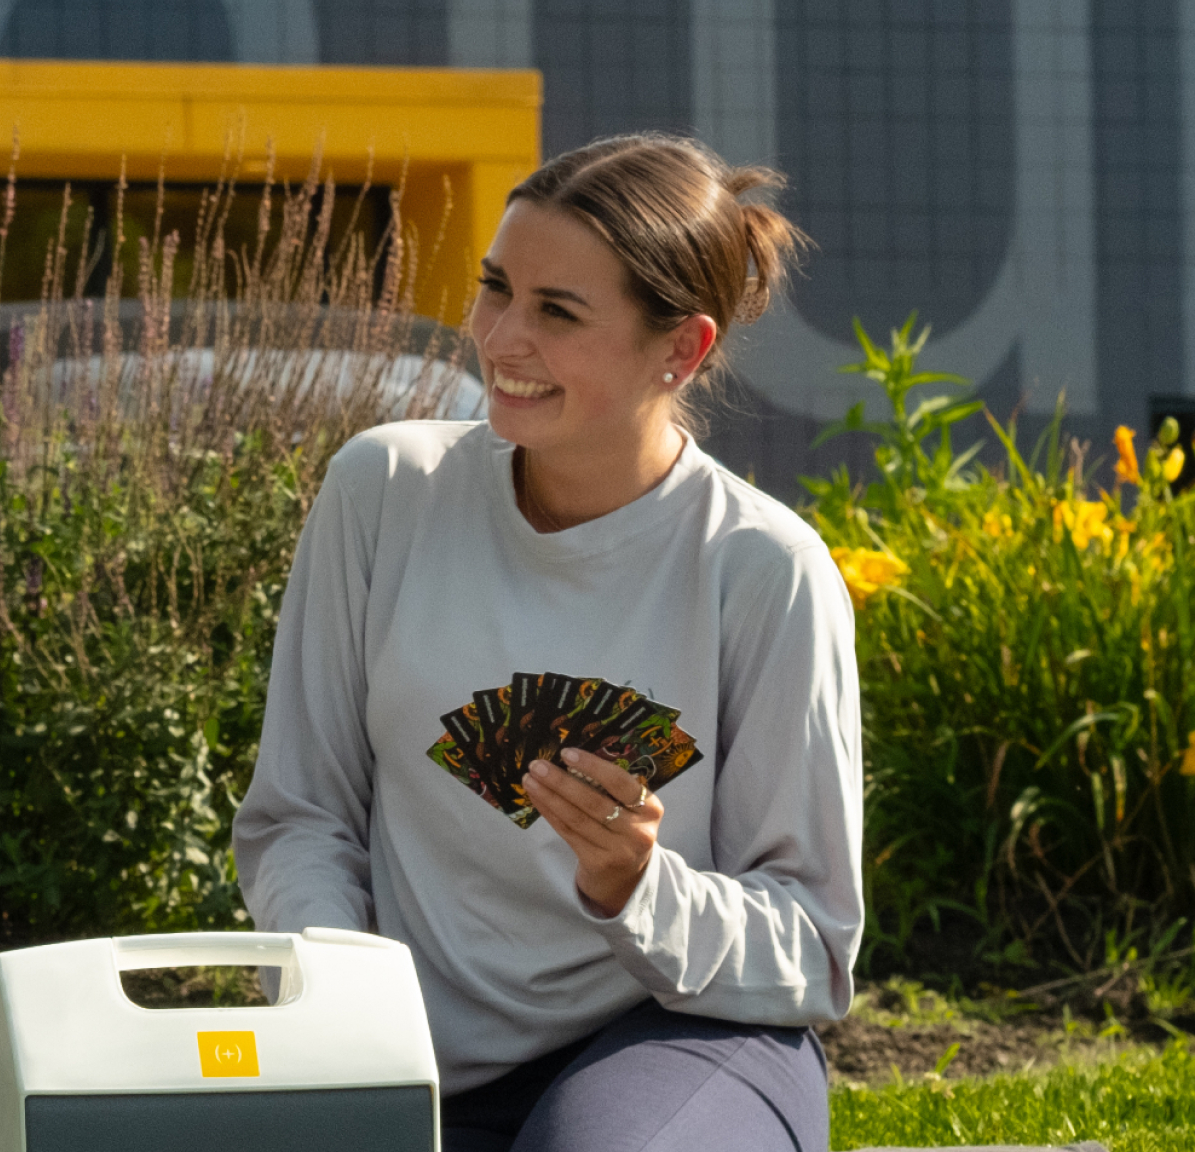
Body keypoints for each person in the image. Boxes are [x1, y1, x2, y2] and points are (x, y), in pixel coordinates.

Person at [233, 133, 864, 1152]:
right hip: (407, 1048)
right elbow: (300, 816)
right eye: (495, 290)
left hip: (678, 1039)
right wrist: (351, 1013)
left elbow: (815, 948)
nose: (500, 337)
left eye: (557, 312)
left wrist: (637, 886)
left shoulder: (763, 571)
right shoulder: (383, 493)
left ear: (683, 349)